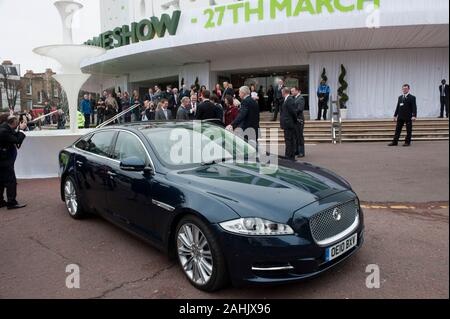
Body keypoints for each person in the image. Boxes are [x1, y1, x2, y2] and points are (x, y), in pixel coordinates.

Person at [0, 115, 28, 209]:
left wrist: (19, 130)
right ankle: (12, 202)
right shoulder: (4, 131)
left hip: (3, 159)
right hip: (4, 160)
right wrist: (21, 130)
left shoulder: (5, 127)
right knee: (11, 181)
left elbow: (13, 135)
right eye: (17, 123)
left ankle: (0, 202)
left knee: (1, 181)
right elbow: (17, 139)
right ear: (14, 123)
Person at [280, 87, 298, 160]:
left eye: (282, 92)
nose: (281, 93)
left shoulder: (290, 99)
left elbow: (293, 112)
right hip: (287, 124)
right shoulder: (286, 99)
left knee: (289, 140)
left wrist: (294, 121)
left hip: (289, 124)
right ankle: (288, 155)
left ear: (284, 92)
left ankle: (290, 156)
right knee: (288, 140)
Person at [292, 87, 306, 158]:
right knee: (295, 136)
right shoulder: (294, 98)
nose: (292, 92)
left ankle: (301, 152)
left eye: (293, 91)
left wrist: (292, 112)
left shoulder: (301, 98)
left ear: (297, 91)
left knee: (300, 136)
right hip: (295, 120)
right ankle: (296, 150)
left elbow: (300, 109)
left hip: (299, 120)